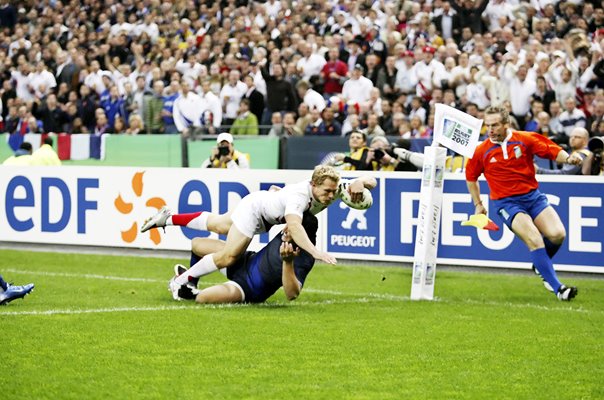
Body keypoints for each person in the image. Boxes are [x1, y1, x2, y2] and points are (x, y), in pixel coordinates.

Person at [140, 165, 376, 300]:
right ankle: (181, 282)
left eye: (334, 192)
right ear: (313, 185)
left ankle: (168, 218)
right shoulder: (299, 196)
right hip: (255, 213)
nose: (330, 196)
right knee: (230, 256)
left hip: (262, 205)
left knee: (218, 224)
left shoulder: (332, 186)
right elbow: (295, 226)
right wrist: (315, 252)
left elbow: (373, 181)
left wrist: (360, 181)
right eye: (326, 192)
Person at [465, 106, 582, 301]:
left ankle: (540, 266)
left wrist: (569, 158)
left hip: (533, 197)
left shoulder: (525, 139)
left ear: (506, 124)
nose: (490, 129)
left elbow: (552, 151)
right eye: (488, 125)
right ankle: (558, 289)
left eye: (495, 125)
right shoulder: (481, 151)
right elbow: (471, 177)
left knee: (558, 234)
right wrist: (478, 204)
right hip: (506, 203)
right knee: (534, 238)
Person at [174, 212, 318, 304]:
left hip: (248, 288)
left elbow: (291, 294)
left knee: (202, 298)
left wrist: (287, 262)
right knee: (197, 244)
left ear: (302, 235)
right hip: (243, 261)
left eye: (291, 228)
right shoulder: (289, 230)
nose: (286, 228)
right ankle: (190, 283)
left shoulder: (305, 257)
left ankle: (189, 290)